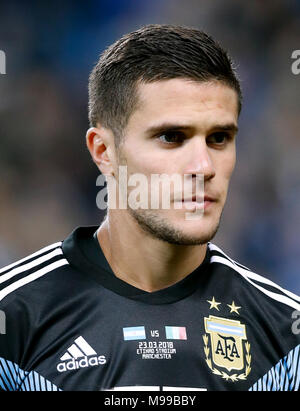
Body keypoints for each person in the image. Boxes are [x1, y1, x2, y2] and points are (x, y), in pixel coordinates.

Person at [0, 24, 299, 392]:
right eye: (172, 137)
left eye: (219, 138)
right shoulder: (13, 321)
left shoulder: (288, 339)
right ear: (103, 151)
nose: (204, 167)